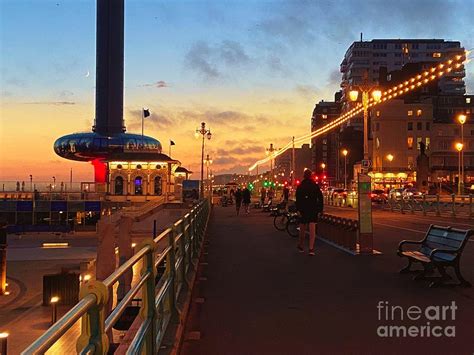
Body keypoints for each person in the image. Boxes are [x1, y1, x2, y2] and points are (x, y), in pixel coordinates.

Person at [295, 169, 323, 256]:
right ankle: (311, 248)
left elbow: (298, 199)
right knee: (312, 229)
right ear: (311, 176)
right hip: (313, 209)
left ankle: (301, 245)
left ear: (304, 175)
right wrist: (320, 209)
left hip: (303, 209)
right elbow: (320, 197)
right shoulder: (314, 185)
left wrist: (298, 209)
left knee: (302, 228)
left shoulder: (300, 185)